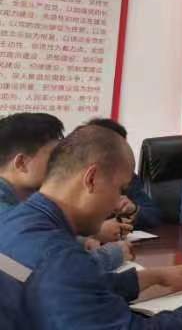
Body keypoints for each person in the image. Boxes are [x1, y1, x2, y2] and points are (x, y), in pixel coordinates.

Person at [0, 124, 182, 329]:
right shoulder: (60, 256)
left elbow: (68, 288)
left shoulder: (14, 221)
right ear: (91, 179)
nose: (116, 204)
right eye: (120, 189)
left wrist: (154, 276)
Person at [0, 113, 130, 272]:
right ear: (21, 163)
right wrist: (113, 254)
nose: (62, 161)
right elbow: (42, 271)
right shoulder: (7, 215)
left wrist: (81, 240)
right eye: (53, 155)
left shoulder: (22, 201)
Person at [81, 117, 161, 229]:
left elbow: (154, 216)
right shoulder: (76, 176)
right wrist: (97, 232)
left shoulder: (127, 176)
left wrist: (133, 209)